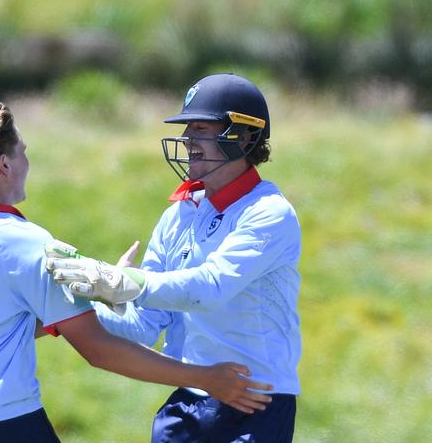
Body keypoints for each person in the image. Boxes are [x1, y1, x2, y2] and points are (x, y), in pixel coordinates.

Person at [0, 100, 274, 442]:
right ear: (5, 165)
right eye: (22, 151)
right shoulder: (24, 242)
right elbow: (98, 350)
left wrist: (97, 293)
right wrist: (204, 378)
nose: (27, 161)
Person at [47, 74, 302, 442]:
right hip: (191, 400)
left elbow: (210, 287)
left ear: (244, 137)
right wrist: (71, 300)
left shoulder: (269, 213)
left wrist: (123, 283)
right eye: (187, 128)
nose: (187, 140)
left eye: (200, 128)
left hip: (256, 403)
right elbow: (143, 326)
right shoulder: (179, 214)